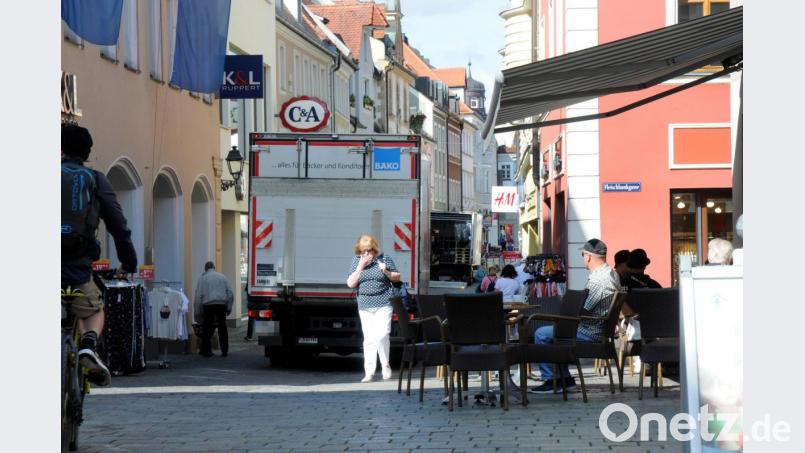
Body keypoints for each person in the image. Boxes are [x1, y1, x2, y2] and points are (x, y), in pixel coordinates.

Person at [61, 123, 138, 387]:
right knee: (93, 310)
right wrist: (128, 262)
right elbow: (119, 225)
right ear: (87, 152)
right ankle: (88, 346)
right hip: (77, 270)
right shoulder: (94, 179)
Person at [530, 238, 622, 393]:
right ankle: (564, 378)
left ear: (588, 256)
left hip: (590, 332)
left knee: (541, 334)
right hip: (599, 330)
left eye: (582, 255)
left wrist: (568, 309)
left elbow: (583, 310)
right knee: (555, 330)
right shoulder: (612, 274)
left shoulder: (599, 279)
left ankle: (551, 380)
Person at [347, 234, 401, 383]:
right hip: (364, 304)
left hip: (383, 302)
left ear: (374, 249)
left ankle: (385, 365)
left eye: (369, 250)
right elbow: (351, 283)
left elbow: (397, 277)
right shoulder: (356, 261)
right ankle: (369, 372)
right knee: (369, 339)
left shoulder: (384, 259)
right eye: (363, 251)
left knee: (383, 334)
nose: (366, 254)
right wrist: (361, 266)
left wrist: (386, 272)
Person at [194, 261, 235, 357]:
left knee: (207, 328)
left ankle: (207, 351)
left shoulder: (203, 279)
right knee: (222, 327)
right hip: (221, 305)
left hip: (208, 306)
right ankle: (224, 350)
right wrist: (229, 307)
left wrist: (198, 311)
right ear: (214, 267)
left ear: (205, 269)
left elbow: (198, 297)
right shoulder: (222, 277)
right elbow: (230, 293)